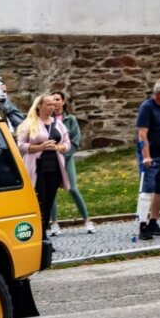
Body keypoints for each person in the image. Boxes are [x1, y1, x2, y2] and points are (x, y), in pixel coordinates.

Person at [17, 94, 71, 240]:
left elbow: (67, 143)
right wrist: (40, 147)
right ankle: (39, 235)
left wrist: (58, 147)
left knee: (49, 201)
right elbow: (21, 145)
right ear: (39, 106)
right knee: (40, 201)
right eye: (48, 104)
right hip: (37, 168)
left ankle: (44, 233)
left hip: (54, 167)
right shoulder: (29, 123)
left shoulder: (58, 124)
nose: (52, 107)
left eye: (53, 104)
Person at [48, 91, 96, 235]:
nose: (55, 102)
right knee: (52, 192)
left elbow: (75, 141)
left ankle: (87, 220)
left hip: (66, 158)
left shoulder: (70, 119)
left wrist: (65, 154)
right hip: (52, 159)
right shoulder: (47, 120)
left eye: (57, 99)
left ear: (63, 101)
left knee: (73, 189)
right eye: (52, 100)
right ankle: (54, 223)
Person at [135, 78, 160, 240]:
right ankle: (143, 225)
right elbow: (142, 133)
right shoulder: (147, 107)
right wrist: (146, 156)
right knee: (148, 188)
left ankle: (153, 221)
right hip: (150, 155)